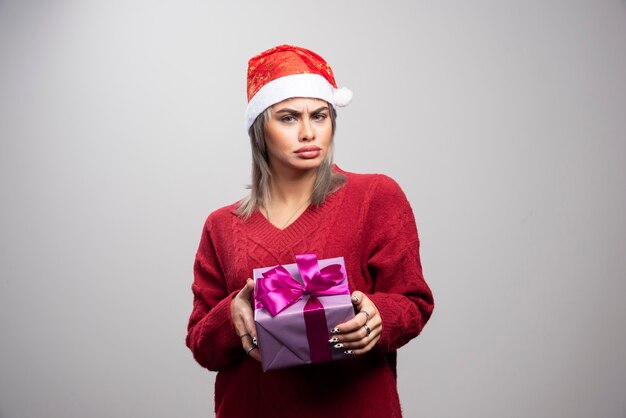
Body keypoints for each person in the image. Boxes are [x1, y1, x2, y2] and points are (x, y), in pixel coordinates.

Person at [186, 44, 434, 417]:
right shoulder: (223, 226)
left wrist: (377, 315)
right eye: (287, 118)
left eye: (319, 115)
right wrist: (232, 311)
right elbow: (202, 346)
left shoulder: (375, 197)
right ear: (259, 129)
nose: (307, 132)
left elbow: (413, 302)